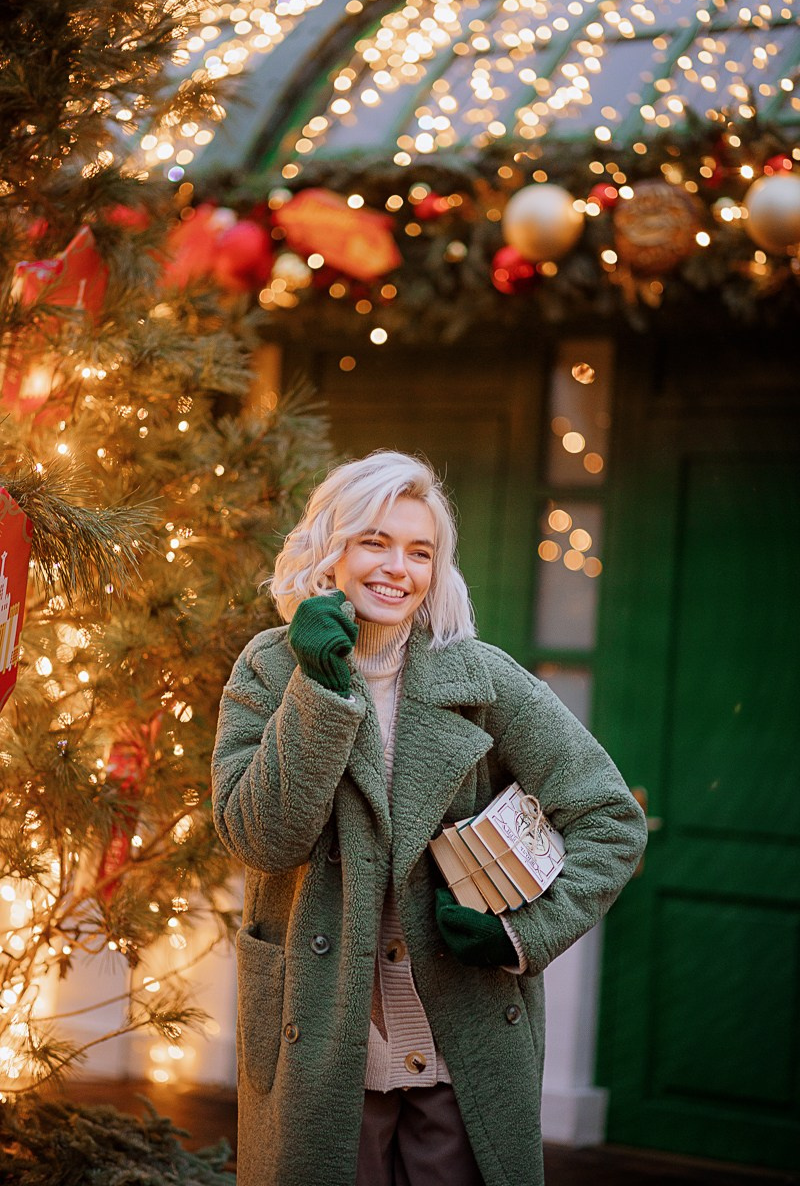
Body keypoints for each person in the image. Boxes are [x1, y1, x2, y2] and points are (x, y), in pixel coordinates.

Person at [211, 450, 647, 1186]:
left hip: (460, 1043)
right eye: (374, 541)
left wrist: (522, 935)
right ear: (330, 548)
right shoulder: (270, 669)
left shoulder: (484, 678)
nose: (398, 568)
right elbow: (262, 837)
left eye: (420, 551)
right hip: (321, 1038)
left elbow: (610, 817)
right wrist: (320, 688)